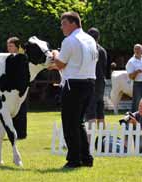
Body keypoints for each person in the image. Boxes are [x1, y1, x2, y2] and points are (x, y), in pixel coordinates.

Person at [50, 12, 98, 168]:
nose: (61, 27)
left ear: (73, 23)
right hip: (89, 83)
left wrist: (55, 53)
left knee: (70, 124)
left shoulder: (69, 40)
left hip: (74, 85)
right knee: (78, 123)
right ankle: (86, 158)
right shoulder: (90, 39)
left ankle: (74, 160)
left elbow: (60, 64)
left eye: (63, 23)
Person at [85, 27, 107, 129]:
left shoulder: (88, 49)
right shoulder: (102, 50)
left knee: (90, 111)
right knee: (100, 110)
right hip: (101, 83)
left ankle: (90, 138)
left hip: (91, 82)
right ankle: (103, 136)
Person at [7, 37, 27, 139]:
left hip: (21, 88)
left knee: (21, 110)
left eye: (11, 46)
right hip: (11, 89)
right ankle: (13, 132)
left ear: (17, 47)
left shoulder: (22, 57)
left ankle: (21, 133)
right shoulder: (9, 57)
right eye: (8, 46)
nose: (8, 48)